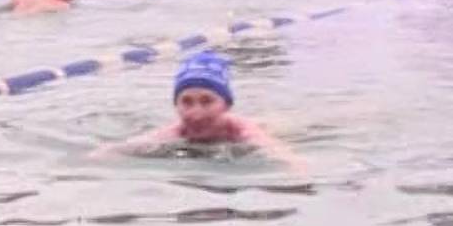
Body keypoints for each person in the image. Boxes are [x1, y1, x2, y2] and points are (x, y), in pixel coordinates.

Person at [96, 51, 305, 171]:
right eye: (186, 102)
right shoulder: (174, 133)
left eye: (207, 101)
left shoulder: (240, 129)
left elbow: (279, 152)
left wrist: (295, 166)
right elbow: (121, 148)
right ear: (175, 105)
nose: (196, 113)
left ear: (226, 105)